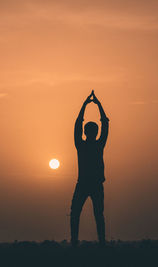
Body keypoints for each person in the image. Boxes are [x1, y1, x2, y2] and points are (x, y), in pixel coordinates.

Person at [70, 90, 109, 247]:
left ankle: (78, 243)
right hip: (88, 183)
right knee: (95, 215)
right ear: (93, 132)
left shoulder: (84, 145)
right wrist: (96, 105)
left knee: (79, 214)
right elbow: (104, 123)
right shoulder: (95, 145)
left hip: (89, 183)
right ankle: (100, 244)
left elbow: (78, 124)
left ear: (87, 132)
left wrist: (86, 105)